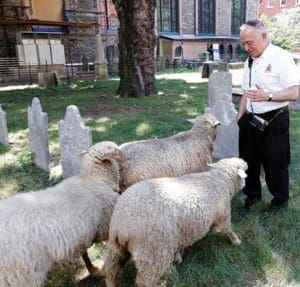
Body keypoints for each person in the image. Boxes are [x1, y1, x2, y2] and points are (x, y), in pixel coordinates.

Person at [237, 20, 299, 213]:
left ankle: (279, 202)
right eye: (244, 43)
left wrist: (268, 96)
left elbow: (294, 92)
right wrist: (240, 117)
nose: (247, 47)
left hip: (275, 119)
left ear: (264, 36)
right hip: (251, 118)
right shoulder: (250, 60)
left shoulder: (281, 57)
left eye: (250, 42)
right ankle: (252, 196)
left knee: (276, 164)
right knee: (249, 162)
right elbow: (246, 91)